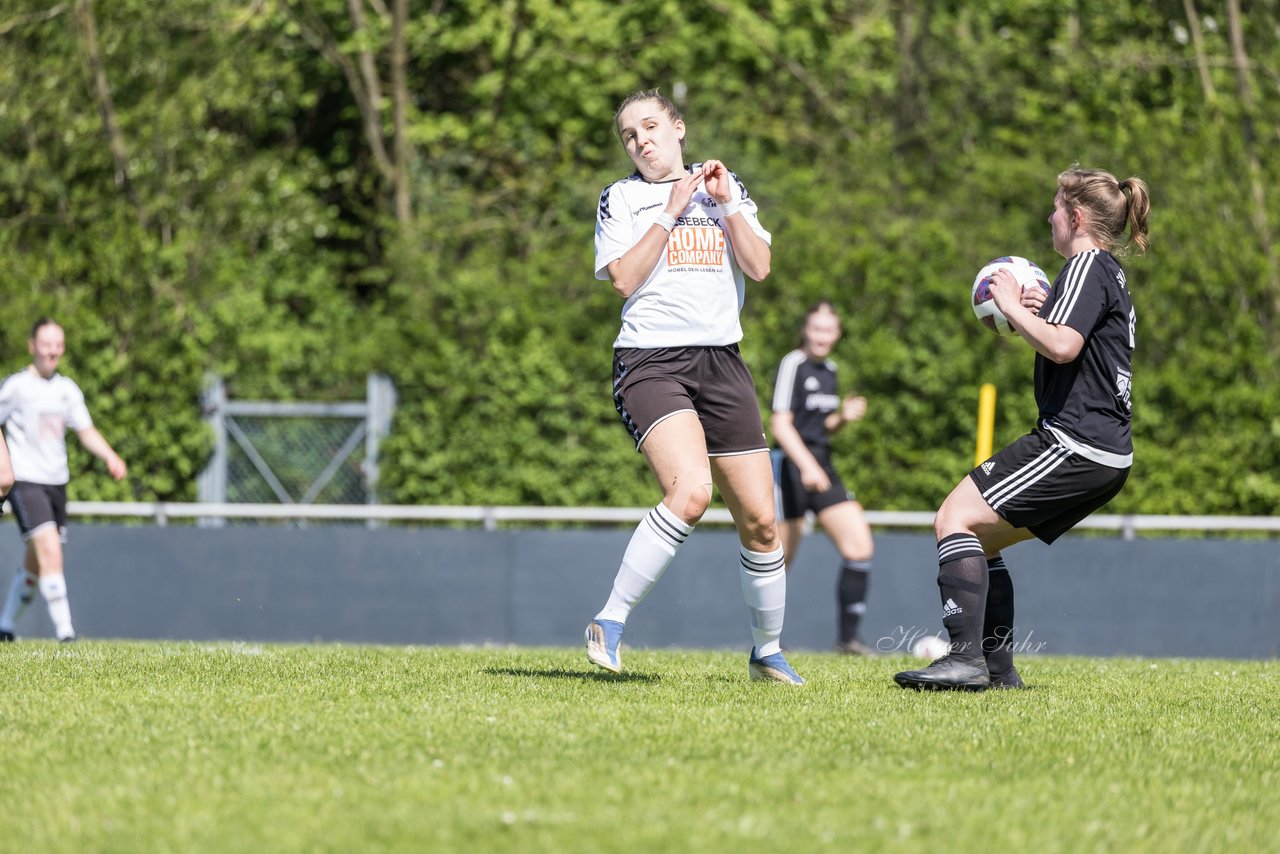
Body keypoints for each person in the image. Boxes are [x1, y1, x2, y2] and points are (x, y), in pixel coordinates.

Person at [895, 166, 1150, 691]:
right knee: (982, 540)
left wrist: (1010, 303)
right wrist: (1041, 309)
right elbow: (1073, 336)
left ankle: (965, 660)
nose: (1049, 217)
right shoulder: (1105, 272)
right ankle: (997, 671)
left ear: (1076, 217)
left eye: (1056, 208)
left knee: (953, 519)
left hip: (1076, 443)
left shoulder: (1086, 265)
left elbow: (1064, 345)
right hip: (1104, 452)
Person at [583, 88, 803, 684]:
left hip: (722, 362)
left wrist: (726, 204)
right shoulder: (621, 198)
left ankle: (767, 652)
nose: (641, 141)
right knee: (691, 493)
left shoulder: (725, 185)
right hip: (651, 361)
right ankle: (610, 618)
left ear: (678, 127)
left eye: (650, 126)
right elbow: (625, 279)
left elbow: (758, 267)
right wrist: (671, 210)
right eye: (629, 135)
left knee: (762, 519)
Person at [0, 319, 128, 642]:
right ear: (32, 345)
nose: (52, 350)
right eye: (46, 343)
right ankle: (66, 633)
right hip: (26, 481)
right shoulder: (16, 387)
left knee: (38, 562)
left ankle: (5, 627)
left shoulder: (66, 389)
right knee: (51, 551)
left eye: (58, 343)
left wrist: (111, 455)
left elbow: (85, 431)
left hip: (56, 482)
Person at [770, 301, 878, 655]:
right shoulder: (793, 364)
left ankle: (848, 640)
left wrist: (843, 418)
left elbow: (822, 426)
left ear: (837, 333)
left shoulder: (830, 369)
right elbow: (780, 425)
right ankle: (768, 643)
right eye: (816, 328)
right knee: (780, 560)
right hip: (791, 465)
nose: (821, 336)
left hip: (822, 466)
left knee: (859, 546)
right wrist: (807, 466)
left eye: (828, 330)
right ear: (805, 330)